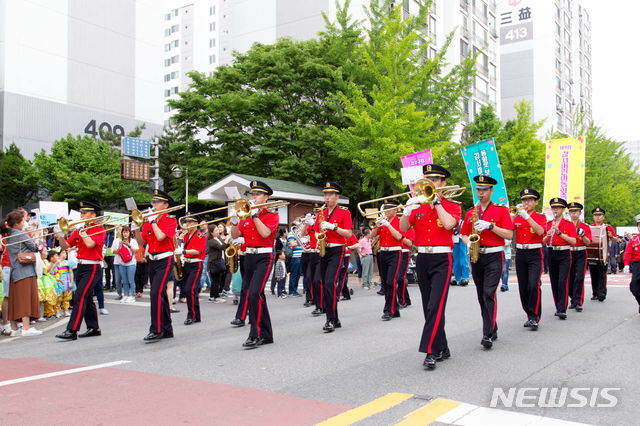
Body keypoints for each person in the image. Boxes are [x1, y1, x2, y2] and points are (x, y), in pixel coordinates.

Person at [400, 164, 461, 369]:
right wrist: (406, 210)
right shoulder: (418, 206)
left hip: (442, 259)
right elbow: (402, 229)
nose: (430, 183)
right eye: (427, 180)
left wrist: (437, 204)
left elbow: (450, 225)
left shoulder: (452, 205)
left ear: (443, 183)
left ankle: (430, 351)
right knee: (430, 307)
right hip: (422, 259)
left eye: (434, 180)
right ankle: (442, 346)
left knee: (435, 305)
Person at [460, 175, 513, 350]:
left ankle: (487, 333)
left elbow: (509, 235)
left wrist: (491, 226)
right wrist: (469, 244)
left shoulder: (501, 211)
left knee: (489, 293)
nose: (480, 193)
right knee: (481, 294)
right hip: (477, 256)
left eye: (484, 190)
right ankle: (492, 325)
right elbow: (464, 233)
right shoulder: (470, 212)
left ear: (491, 191)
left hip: (494, 255)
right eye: (478, 189)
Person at [230, 180, 279, 347]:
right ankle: (267, 334)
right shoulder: (246, 213)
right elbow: (236, 235)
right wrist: (235, 221)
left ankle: (255, 334)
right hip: (248, 257)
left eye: (257, 194)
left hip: (264, 257)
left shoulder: (272, 214)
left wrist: (255, 216)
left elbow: (266, 233)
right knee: (256, 295)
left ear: (266, 197)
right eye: (252, 194)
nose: (254, 197)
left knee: (254, 293)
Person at [55, 201, 105, 340]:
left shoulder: (99, 228)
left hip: (93, 267)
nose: (82, 215)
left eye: (85, 212)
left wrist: (82, 233)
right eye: (81, 212)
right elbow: (66, 246)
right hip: (81, 266)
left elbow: (90, 244)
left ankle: (72, 330)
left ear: (93, 214)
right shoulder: (79, 229)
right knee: (87, 298)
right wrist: (60, 235)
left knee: (79, 296)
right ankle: (93, 328)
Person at [133, 190, 178, 342]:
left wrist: (152, 222)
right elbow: (141, 242)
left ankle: (156, 329)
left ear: (165, 204)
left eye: (157, 202)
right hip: (152, 259)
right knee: (161, 295)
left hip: (165, 259)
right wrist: (135, 229)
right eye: (153, 202)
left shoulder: (170, 219)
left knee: (155, 293)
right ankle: (167, 329)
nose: (153, 205)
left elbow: (160, 237)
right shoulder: (149, 220)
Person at [312, 182, 353, 333]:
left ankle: (330, 319)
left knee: (329, 282)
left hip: (337, 250)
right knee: (323, 282)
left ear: (337, 197)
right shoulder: (320, 213)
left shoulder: (344, 213)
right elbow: (316, 231)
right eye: (325, 194)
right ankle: (334, 319)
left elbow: (348, 234)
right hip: (324, 250)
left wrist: (334, 227)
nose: (327, 197)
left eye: (330, 195)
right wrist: (318, 237)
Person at [511, 188, 546, 330]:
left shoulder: (541, 217)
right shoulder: (518, 216)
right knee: (523, 286)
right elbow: (508, 229)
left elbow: (540, 231)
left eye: (530, 200)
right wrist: (512, 215)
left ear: (536, 202)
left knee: (533, 285)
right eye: (524, 200)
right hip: (521, 252)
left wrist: (527, 217)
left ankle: (534, 316)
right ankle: (528, 312)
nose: (526, 202)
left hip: (535, 253)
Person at [5, 209, 42, 337]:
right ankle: (26, 327)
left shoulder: (11, 234)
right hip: (25, 270)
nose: (24, 222)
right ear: (17, 223)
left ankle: (14, 327)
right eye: (22, 220)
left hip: (15, 271)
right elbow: (35, 247)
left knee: (15, 300)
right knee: (25, 299)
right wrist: (37, 236)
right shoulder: (20, 234)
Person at [543, 198, 577, 320]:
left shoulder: (568, 224)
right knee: (554, 281)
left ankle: (562, 308)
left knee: (562, 280)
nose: (555, 210)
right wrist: (547, 235)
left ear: (562, 209)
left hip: (564, 253)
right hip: (551, 252)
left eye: (557, 208)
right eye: (553, 208)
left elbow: (573, 241)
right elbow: (541, 241)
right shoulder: (547, 224)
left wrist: (560, 233)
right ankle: (558, 305)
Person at [370, 200, 404, 321]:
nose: (386, 212)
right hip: (383, 252)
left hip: (395, 253)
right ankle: (394, 309)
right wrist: (377, 225)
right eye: (385, 209)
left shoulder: (399, 221)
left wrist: (388, 225)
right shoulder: (383, 222)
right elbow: (372, 235)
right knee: (385, 283)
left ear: (395, 210)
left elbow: (399, 236)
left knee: (391, 281)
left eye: (389, 209)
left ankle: (388, 310)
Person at [178, 216, 206, 325]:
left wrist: (183, 251)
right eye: (186, 222)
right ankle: (196, 315)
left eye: (190, 222)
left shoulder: (200, 235)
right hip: (187, 263)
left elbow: (198, 251)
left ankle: (191, 315)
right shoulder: (185, 235)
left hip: (196, 264)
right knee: (189, 290)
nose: (187, 224)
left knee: (190, 289)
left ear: (196, 223)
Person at [589, 207, 619, 302]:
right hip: (593, 253)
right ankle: (595, 293)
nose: (598, 217)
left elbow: (616, 239)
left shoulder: (607, 227)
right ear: (593, 217)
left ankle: (601, 293)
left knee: (602, 274)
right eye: (596, 215)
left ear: (603, 216)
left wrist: (611, 236)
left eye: (600, 215)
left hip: (603, 254)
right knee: (593, 274)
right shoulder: (590, 227)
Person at [568, 202, 592, 312]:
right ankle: (573, 298)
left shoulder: (585, 227)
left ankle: (578, 301)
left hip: (581, 253)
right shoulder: (566, 225)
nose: (573, 214)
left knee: (579, 277)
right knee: (570, 278)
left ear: (580, 213)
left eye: (576, 211)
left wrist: (583, 235)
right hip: (569, 253)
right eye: (571, 211)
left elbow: (588, 243)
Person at [300, 211, 323, 314]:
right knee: (308, 278)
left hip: (320, 252)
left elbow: (323, 231)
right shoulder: (310, 224)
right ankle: (310, 299)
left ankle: (320, 306)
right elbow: (303, 234)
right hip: (312, 253)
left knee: (317, 281)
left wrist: (314, 224)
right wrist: (306, 223)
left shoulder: (322, 223)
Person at [113, 225, 139, 303]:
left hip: (131, 263)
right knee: (124, 281)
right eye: (124, 232)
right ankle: (126, 295)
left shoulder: (133, 241)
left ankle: (132, 295)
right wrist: (120, 245)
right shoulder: (118, 241)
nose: (125, 234)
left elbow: (135, 251)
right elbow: (114, 252)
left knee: (131, 280)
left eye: (127, 232)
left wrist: (128, 245)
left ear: (129, 233)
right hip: (121, 263)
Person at [622, 214, 640, 313]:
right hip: (637, 265)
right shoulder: (634, 239)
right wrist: (626, 264)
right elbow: (628, 253)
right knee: (634, 287)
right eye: (639, 225)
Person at [207, 224, 227, 303]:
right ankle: (215, 296)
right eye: (215, 230)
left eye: (217, 229)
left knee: (216, 280)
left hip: (217, 261)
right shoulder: (211, 241)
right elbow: (222, 247)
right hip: (214, 262)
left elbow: (223, 244)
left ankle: (212, 296)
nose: (218, 231)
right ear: (211, 233)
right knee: (215, 280)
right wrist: (227, 239)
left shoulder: (217, 238)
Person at [397, 227, 414, 307]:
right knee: (397, 278)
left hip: (404, 253)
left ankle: (402, 300)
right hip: (395, 252)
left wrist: (398, 235)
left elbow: (410, 243)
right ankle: (406, 299)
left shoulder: (409, 229)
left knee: (400, 277)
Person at [339, 233, 359, 301]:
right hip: (337, 256)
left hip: (346, 256)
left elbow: (357, 244)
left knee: (342, 276)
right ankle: (346, 294)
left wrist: (349, 247)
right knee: (342, 276)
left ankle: (336, 294)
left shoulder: (350, 234)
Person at [451, 220, 470, 286]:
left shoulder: (462, 222)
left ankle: (465, 277)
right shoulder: (450, 220)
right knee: (456, 261)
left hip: (462, 239)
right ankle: (457, 278)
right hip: (454, 240)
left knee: (463, 259)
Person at [286, 232, 302, 297]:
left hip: (300, 256)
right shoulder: (291, 234)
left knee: (298, 275)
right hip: (295, 257)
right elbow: (292, 244)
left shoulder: (299, 234)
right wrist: (301, 243)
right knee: (294, 274)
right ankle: (291, 291)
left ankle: (295, 290)